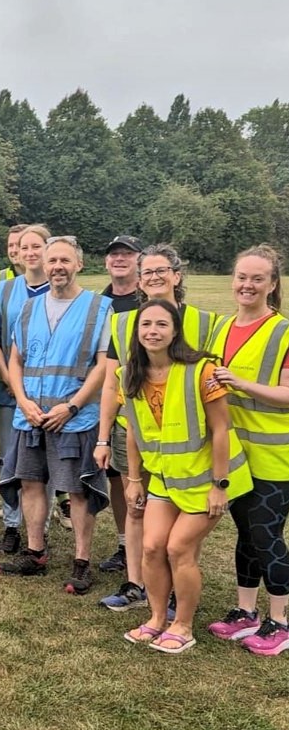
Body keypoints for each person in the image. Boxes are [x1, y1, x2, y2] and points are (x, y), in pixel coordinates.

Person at [120, 300, 251, 653]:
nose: (153, 331)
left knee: (179, 548)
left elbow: (221, 429)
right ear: (137, 331)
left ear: (175, 331)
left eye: (162, 324)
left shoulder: (201, 371)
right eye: (146, 324)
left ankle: (183, 625)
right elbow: (133, 429)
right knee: (151, 547)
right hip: (166, 478)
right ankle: (157, 618)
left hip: (208, 480)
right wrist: (134, 479)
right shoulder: (129, 374)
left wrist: (219, 486)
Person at [95, 244, 216, 612]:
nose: (154, 278)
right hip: (134, 432)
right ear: (139, 280)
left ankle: (177, 586)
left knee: (180, 513)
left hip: (186, 440)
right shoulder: (122, 322)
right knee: (136, 506)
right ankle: (136, 585)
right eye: (147, 272)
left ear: (177, 276)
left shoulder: (203, 322)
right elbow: (111, 384)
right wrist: (102, 437)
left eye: (162, 270)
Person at [0, 235, 112, 594]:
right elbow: (15, 359)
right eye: (52, 261)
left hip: (73, 417)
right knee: (30, 483)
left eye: (64, 260)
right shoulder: (29, 309)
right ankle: (35, 552)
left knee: (77, 490)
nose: (57, 267)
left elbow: (104, 365)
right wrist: (22, 399)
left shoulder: (98, 307)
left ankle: (81, 562)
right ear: (44, 267)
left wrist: (73, 404)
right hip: (30, 415)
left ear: (78, 264)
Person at [206, 245, 289, 656]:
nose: (248, 285)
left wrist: (240, 382)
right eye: (242, 277)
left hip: (275, 459)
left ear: (273, 285)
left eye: (258, 278)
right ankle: (245, 612)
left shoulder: (283, 332)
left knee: (266, 536)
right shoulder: (221, 327)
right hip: (235, 455)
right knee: (245, 536)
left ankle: (280, 621)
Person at [0, 225, 50, 554]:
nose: (29, 253)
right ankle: (11, 525)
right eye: (24, 247)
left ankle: (40, 528)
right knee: (8, 458)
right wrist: (12, 383)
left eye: (36, 246)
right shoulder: (4, 290)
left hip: (47, 393)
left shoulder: (58, 290)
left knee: (43, 464)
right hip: (8, 392)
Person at [94, 233, 146, 572]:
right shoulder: (100, 303)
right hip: (111, 403)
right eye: (115, 254)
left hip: (145, 409)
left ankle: (147, 551)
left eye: (127, 253)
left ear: (139, 259)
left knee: (140, 480)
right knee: (116, 476)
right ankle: (125, 544)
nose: (120, 259)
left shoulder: (150, 301)